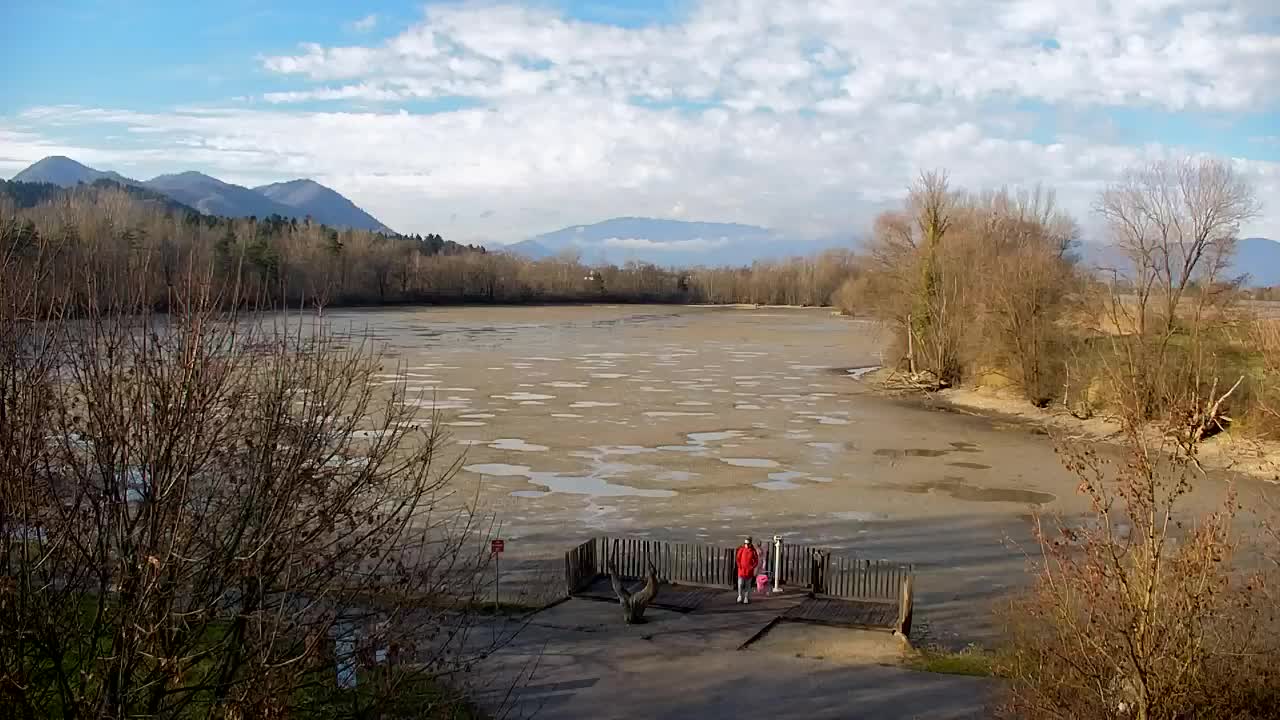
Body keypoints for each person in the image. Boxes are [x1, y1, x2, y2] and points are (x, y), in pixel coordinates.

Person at [735, 536, 759, 604]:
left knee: (748, 585)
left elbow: (756, 560)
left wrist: (752, 567)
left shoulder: (753, 551)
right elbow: (737, 559)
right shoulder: (741, 549)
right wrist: (739, 566)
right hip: (741, 571)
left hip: (749, 571)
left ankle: (746, 597)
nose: (746, 545)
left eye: (748, 543)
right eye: (745, 543)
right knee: (740, 584)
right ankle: (739, 596)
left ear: (750, 543)